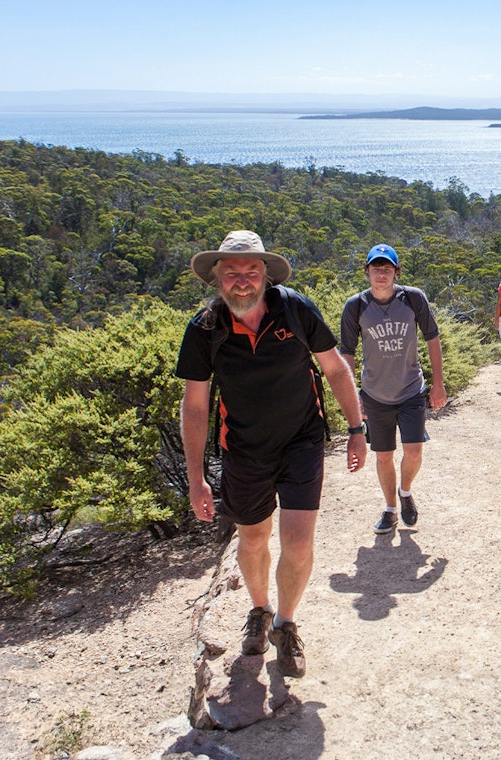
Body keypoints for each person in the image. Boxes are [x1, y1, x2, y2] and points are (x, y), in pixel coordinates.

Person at [176, 230, 367, 679]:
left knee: (299, 540)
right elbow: (196, 404)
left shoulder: (295, 309)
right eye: (232, 273)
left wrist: (357, 429)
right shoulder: (205, 329)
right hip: (243, 449)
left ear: (265, 274)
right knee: (253, 539)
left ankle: (285, 623)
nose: (242, 281)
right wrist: (195, 476)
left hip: (301, 440)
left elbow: (335, 369)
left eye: (251, 271)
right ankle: (258, 610)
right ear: (216, 279)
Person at [339, 244, 448, 535]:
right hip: (375, 394)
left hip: (411, 390)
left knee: (413, 452)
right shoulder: (356, 306)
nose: (381, 274)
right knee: (383, 455)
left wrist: (438, 383)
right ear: (367, 272)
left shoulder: (412, 298)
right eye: (376, 268)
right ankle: (390, 509)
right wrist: (353, 396)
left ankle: (405, 490)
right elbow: (346, 353)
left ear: (396, 272)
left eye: (387, 268)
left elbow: (432, 339)